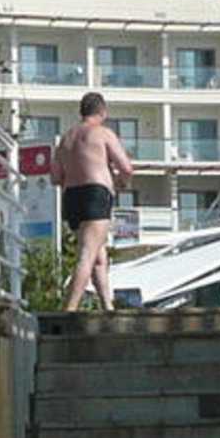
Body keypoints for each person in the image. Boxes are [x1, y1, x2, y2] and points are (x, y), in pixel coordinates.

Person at [52, 91, 135, 312]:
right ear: (103, 112)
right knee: (87, 256)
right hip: (95, 194)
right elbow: (126, 168)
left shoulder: (66, 138)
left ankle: (107, 306)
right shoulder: (103, 133)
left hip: (72, 197)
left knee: (98, 256)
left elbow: (55, 177)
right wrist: (121, 183)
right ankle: (69, 310)